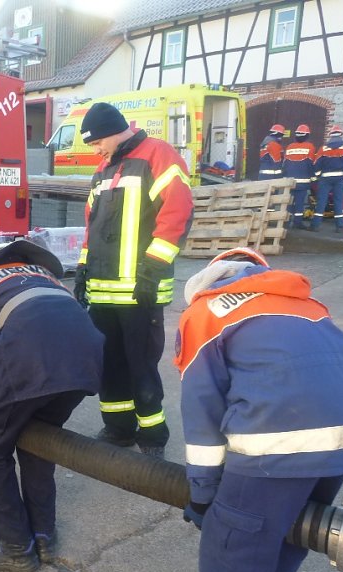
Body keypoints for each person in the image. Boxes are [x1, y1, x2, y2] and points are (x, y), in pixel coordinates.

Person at [173, 247, 343, 572]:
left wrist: (203, 494)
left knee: (229, 556)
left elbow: (202, 412)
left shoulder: (206, 311)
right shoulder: (307, 304)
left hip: (276, 440)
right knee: (297, 528)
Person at [0, 240, 104, 572]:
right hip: (84, 362)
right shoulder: (49, 279)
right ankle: (43, 534)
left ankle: (15, 546)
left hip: (25, 357)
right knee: (40, 444)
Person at [73, 101, 193, 458]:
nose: (95, 150)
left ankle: (153, 435)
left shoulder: (159, 156)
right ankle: (118, 428)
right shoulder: (103, 170)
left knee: (141, 366)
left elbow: (176, 216)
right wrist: (83, 269)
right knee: (109, 364)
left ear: (113, 132)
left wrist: (152, 269)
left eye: (96, 143)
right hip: (104, 291)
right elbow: (91, 228)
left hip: (141, 291)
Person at [312, 125, 343, 232]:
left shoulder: (323, 148)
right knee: (338, 202)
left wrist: (318, 175)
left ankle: (315, 225)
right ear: (341, 135)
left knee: (321, 202)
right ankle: (340, 226)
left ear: (330, 135)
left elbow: (316, 164)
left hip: (325, 178)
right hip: (339, 178)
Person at [282, 124, 316, 229]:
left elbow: (285, 164)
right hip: (303, 182)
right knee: (300, 203)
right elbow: (312, 164)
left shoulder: (289, 147)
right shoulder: (310, 147)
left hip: (290, 181)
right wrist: (314, 180)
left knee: (289, 202)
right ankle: (297, 223)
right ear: (307, 135)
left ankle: (286, 222)